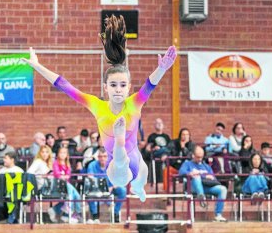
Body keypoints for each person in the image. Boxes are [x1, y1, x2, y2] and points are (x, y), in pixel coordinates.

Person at [22, 14, 177, 202]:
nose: (118, 90)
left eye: (122, 85)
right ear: (105, 87)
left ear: (129, 87)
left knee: (139, 178)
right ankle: (121, 147)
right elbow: (64, 85)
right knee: (121, 174)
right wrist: (37, 66)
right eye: (113, 85)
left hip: (136, 159)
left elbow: (149, 85)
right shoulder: (97, 105)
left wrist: (162, 69)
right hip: (116, 162)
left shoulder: (135, 102)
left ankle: (137, 187)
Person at [178, 146, 228, 222]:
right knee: (196, 177)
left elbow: (213, 178)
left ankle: (218, 215)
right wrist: (191, 173)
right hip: (193, 187)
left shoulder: (206, 166)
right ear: (193, 156)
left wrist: (207, 176)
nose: (200, 159)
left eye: (201, 157)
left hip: (206, 187)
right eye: (198, 157)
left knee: (223, 189)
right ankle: (201, 198)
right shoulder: (187, 164)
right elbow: (181, 172)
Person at [86, 148, 126, 223]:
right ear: (97, 157)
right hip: (96, 188)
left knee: (123, 190)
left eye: (105, 156)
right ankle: (95, 215)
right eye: (100, 156)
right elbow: (90, 178)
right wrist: (101, 187)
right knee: (88, 190)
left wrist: (112, 186)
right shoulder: (92, 165)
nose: (102, 158)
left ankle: (115, 213)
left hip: (111, 189)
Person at [52, 147, 82, 223]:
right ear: (58, 154)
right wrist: (63, 176)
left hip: (67, 184)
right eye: (61, 153)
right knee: (71, 194)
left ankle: (77, 212)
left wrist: (64, 176)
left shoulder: (67, 164)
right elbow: (57, 174)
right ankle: (67, 214)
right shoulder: (55, 163)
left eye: (64, 153)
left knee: (77, 195)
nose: (62, 154)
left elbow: (68, 175)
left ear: (67, 155)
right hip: (58, 184)